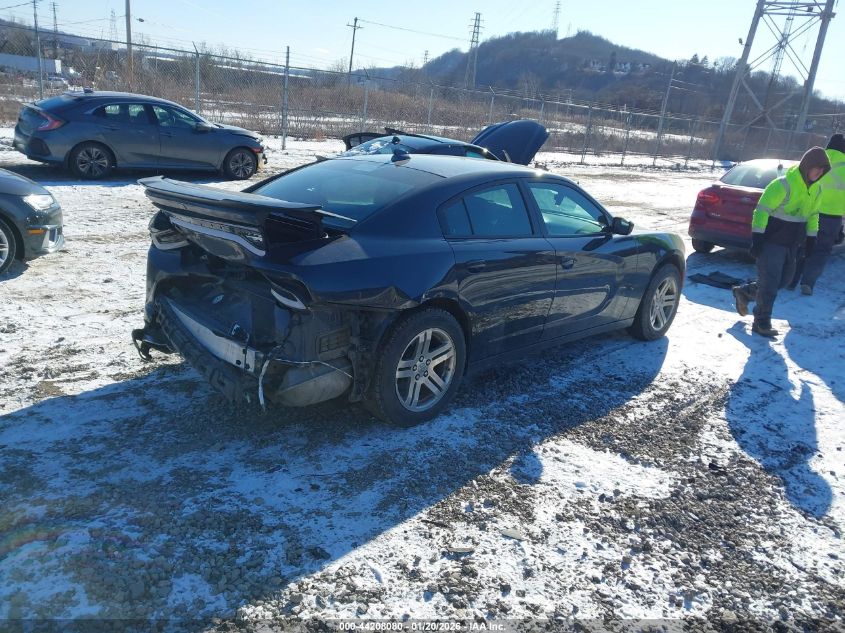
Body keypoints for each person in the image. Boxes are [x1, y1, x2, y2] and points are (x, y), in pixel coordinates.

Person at [732, 146, 830, 337]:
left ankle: (744, 292)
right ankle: (761, 322)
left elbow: (813, 216)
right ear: (806, 166)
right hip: (771, 243)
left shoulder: (817, 190)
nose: (819, 172)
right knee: (770, 284)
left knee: (783, 281)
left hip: (792, 245)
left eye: (823, 169)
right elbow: (761, 210)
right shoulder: (783, 184)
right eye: (816, 168)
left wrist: (812, 238)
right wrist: (757, 238)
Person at [789, 133, 845, 295]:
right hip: (832, 219)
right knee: (821, 251)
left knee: (801, 247)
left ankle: (790, 280)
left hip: (808, 213)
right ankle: (808, 283)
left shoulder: (815, 163)